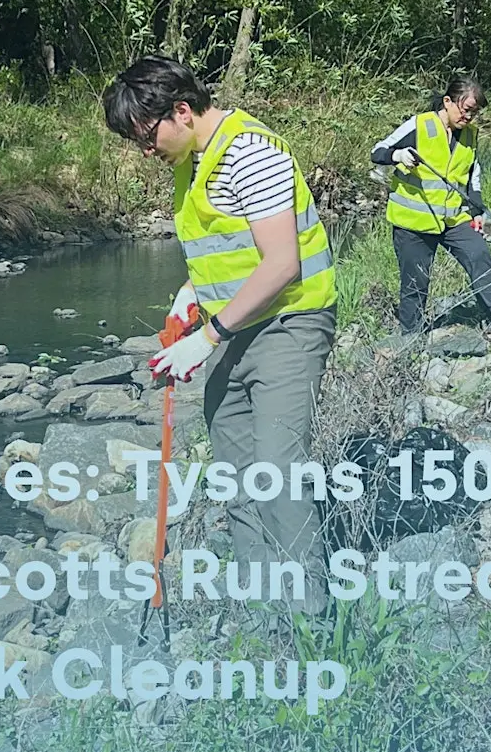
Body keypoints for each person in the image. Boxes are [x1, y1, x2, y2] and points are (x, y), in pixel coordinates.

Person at [101, 56, 338, 621]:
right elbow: (227, 251)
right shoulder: (193, 158)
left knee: (278, 471)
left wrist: (206, 338)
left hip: (289, 324)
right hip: (234, 325)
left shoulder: (250, 154)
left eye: (145, 135)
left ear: (181, 110)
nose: (144, 150)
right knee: (237, 474)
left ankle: (312, 622)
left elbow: (282, 265)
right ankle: (262, 615)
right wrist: (191, 292)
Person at [370, 76, 491, 336]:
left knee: (479, 254)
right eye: (465, 109)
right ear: (447, 102)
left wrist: (478, 209)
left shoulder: (470, 134)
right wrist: (399, 155)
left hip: (454, 220)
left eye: (474, 112)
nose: (468, 117)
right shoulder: (419, 125)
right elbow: (377, 151)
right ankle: (411, 337)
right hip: (413, 222)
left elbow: (472, 175)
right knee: (416, 281)